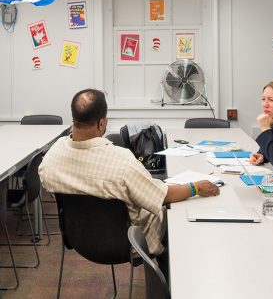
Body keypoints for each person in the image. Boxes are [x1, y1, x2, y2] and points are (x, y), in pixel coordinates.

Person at [39, 89, 220, 259]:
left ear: (74, 118)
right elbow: (163, 196)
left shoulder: (52, 157)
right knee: (175, 212)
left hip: (79, 240)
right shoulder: (121, 161)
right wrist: (195, 187)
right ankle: (168, 276)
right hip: (126, 243)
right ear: (102, 123)